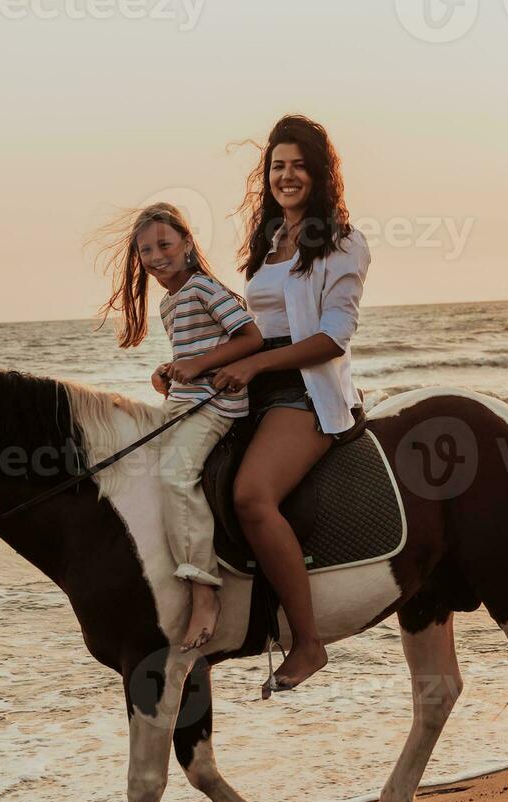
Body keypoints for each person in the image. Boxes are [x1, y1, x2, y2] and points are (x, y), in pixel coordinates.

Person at [208, 115, 371, 698]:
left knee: (252, 497)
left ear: (321, 173)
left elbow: (333, 337)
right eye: (277, 166)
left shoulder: (344, 242)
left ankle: (308, 641)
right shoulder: (270, 239)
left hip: (306, 390)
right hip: (254, 386)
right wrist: (200, 364)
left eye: (299, 164)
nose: (286, 175)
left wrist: (254, 366)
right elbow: (257, 327)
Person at [99, 203, 263, 650]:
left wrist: (197, 365)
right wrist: (169, 371)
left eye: (165, 244)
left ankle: (205, 590)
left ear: (188, 245)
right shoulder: (173, 301)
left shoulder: (205, 289)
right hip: (187, 403)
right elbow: (199, 351)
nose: (155, 256)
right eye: (146, 249)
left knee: (175, 474)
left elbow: (250, 339)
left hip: (216, 406)